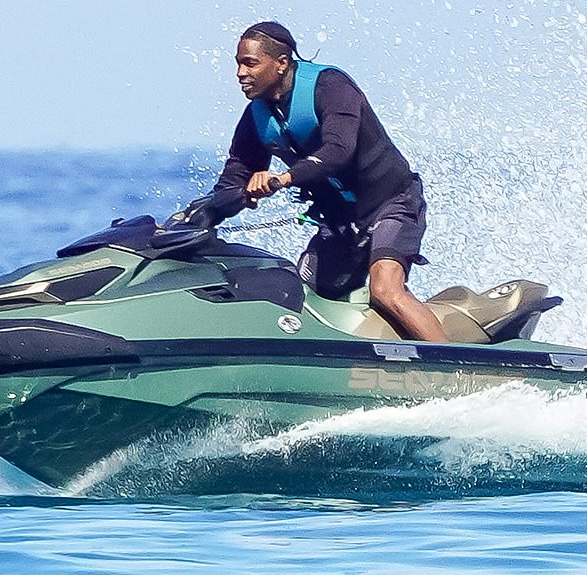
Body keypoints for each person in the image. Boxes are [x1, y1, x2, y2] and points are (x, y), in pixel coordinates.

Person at [183, 21, 447, 342]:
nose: (240, 72)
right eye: (238, 63)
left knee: (384, 289)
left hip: (392, 203)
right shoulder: (256, 119)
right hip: (340, 222)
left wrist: (283, 179)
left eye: (250, 63)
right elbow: (231, 183)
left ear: (281, 63)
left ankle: (464, 369)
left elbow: (338, 151)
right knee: (299, 296)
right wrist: (203, 216)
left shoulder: (330, 86)